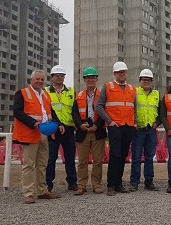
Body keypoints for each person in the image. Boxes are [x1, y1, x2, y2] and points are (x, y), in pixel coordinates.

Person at [13, 70, 62, 203]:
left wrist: (58, 124)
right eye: (37, 79)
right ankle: (28, 193)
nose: (40, 82)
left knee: (42, 164)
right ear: (31, 80)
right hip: (29, 134)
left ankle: (42, 191)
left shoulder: (45, 95)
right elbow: (17, 112)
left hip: (43, 134)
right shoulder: (22, 93)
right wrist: (33, 123)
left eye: (42, 80)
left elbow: (50, 112)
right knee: (29, 165)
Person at [96, 61, 137, 196]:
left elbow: (134, 107)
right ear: (114, 74)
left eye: (123, 72)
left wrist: (135, 121)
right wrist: (109, 121)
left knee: (123, 155)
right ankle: (111, 185)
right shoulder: (108, 87)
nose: (122, 74)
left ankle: (119, 183)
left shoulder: (132, 89)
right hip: (115, 127)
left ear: (126, 73)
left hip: (128, 126)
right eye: (119, 72)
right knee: (115, 155)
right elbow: (99, 106)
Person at [71, 67, 107, 195]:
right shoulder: (78, 95)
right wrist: (80, 125)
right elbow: (74, 113)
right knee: (82, 161)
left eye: (93, 77)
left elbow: (105, 112)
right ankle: (81, 185)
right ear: (84, 80)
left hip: (98, 131)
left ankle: (96, 184)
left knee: (98, 160)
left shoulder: (102, 94)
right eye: (88, 78)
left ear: (97, 79)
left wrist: (97, 125)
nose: (90, 80)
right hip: (83, 132)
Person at [45, 65, 78, 192]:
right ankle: (48, 183)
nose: (60, 77)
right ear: (51, 77)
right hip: (53, 129)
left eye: (62, 75)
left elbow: (75, 111)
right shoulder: (46, 92)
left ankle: (72, 182)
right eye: (57, 75)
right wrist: (57, 124)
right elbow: (46, 110)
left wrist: (78, 124)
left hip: (68, 129)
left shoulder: (70, 92)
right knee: (51, 158)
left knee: (70, 158)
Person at [130, 69, 160, 192]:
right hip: (138, 130)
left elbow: (161, 112)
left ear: (151, 81)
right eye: (144, 80)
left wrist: (157, 123)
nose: (146, 82)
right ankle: (134, 182)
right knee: (136, 157)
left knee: (149, 157)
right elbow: (130, 109)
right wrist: (134, 122)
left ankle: (149, 181)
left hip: (151, 130)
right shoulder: (134, 92)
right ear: (140, 81)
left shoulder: (156, 94)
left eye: (148, 80)